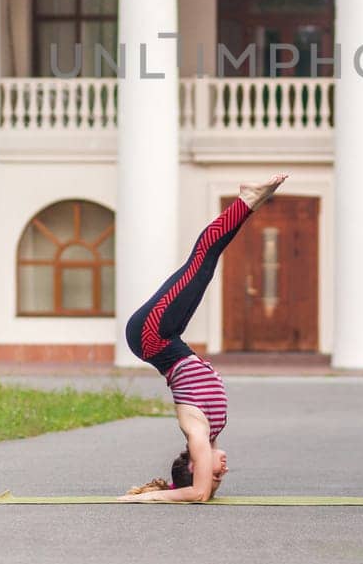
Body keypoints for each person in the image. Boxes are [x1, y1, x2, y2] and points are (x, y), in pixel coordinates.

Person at [117, 173, 288, 502]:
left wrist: (146, 497)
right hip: (165, 338)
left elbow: (197, 495)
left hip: (151, 336)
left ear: (195, 466)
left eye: (214, 475)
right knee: (206, 263)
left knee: (201, 259)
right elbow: (201, 489)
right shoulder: (213, 428)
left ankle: (248, 199)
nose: (222, 472)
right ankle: (249, 201)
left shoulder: (195, 431)